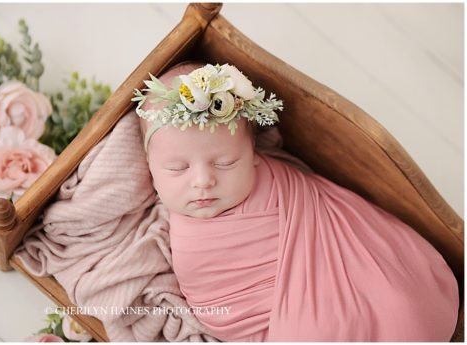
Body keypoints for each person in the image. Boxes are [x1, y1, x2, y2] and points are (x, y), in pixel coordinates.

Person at [134, 62, 459, 341]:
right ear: (150, 169)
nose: (203, 181)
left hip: (361, 259)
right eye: (178, 168)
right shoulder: (191, 247)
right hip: (304, 318)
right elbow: (222, 310)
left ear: (255, 155)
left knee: (399, 300)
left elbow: (333, 220)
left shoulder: (282, 183)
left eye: (225, 163)